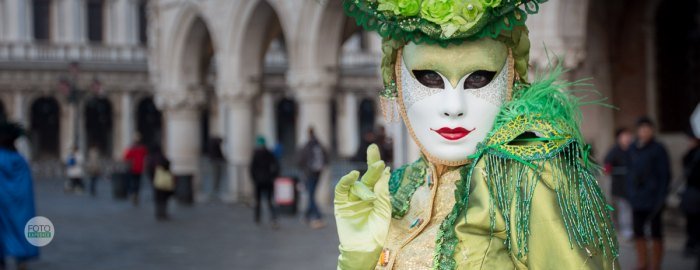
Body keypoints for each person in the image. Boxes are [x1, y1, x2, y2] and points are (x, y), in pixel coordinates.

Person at [334, 1, 619, 269]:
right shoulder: (403, 185)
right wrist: (358, 258)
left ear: (511, 80)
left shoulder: (526, 178)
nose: (454, 108)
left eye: (479, 78)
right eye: (430, 78)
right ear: (396, 81)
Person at [627, 117, 671, 270]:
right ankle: (642, 262)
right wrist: (630, 193)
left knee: (655, 232)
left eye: (648, 129)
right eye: (642, 129)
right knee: (638, 231)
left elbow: (665, 175)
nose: (644, 132)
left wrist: (661, 197)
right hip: (637, 198)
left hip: (653, 198)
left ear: (652, 131)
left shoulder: (658, 149)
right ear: (638, 131)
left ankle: (655, 264)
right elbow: (629, 172)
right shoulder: (632, 148)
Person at [0, 121, 39, 270]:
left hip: (1, 205)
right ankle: (21, 260)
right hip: (19, 207)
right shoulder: (21, 160)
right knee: (20, 229)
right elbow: (26, 187)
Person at [604, 128, 634, 240]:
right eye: (624, 136)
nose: (627, 138)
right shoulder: (614, 151)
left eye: (628, 135)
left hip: (634, 186)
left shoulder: (634, 149)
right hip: (620, 186)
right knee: (624, 209)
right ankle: (627, 230)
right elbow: (607, 166)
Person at [297, 127, 328, 229]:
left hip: (310, 173)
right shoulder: (319, 145)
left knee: (311, 195)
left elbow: (301, 160)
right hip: (318, 173)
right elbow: (326, 156)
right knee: (312, 194)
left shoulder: (308, 146)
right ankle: (307, 215)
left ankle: (318, 215)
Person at [250, 136, 280, 228]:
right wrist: (273, 176)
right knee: (269, 200)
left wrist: (254, 178)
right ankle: (273, 217)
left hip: (259, 181)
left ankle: (257, 218)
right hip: (268, 180)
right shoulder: (269, 153)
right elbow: (276, 166)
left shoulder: (256, 154)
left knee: (258, 201)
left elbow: (252, 169)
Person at [682, 127, 700, 258]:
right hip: (691, 193)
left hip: (697, 191)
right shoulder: (691, 154)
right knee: (691, 220)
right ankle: (691, 243)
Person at [146, 145, 173, 221]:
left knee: (158, 198)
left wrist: (152, 179)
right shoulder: (161, 157)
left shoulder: (150, 158)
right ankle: (163, 212)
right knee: (164, 198)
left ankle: (158, 212)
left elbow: (148, 170)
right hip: (163, 181)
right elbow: (167, 164)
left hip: (155, 181)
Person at [123, 136, 148, 206]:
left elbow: (126, 157)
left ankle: (133, 194)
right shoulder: (142, 148)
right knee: (137, 182)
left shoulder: (132, 148)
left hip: (133, 168)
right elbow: (146, 156)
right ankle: (136, 194)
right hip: (139, 168)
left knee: (133, 182)